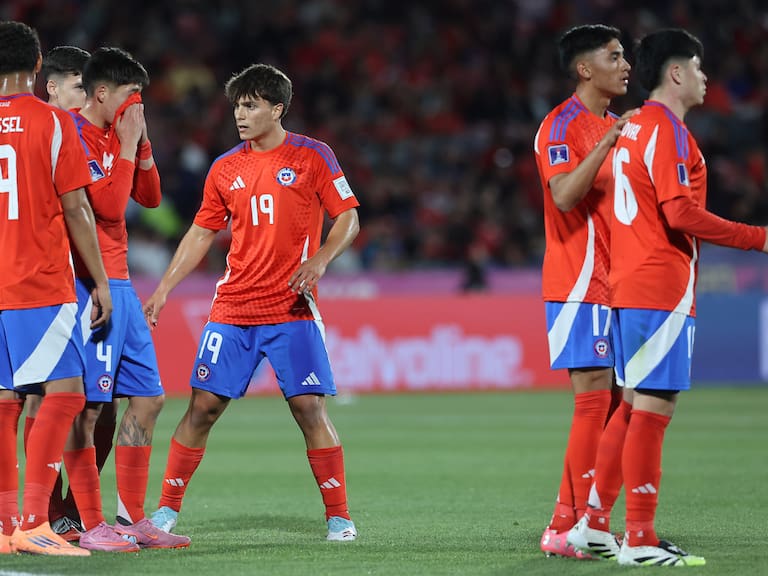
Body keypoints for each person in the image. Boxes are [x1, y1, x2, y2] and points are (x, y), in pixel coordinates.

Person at [566, 28, 768, 566]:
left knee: (631, 406)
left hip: (631, 283)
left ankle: (593, 525)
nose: (705, 79)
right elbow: (679, 214)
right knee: (653, 408)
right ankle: (641, 538)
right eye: (699, 68)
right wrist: (757, 237)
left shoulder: (629, 129)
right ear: (676, 72)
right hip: (660, 286)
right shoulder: (669, 131)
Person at [142, 63, 360, 542]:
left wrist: (322, 258)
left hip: (292, 309)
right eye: (237, 105)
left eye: (251, 105)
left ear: (277, 108)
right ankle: (164, 512)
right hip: (234, 310)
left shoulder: (313, 155)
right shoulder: (225, 167)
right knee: (202, 408)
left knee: (308, 408)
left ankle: (339, 516)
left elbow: (348, 218)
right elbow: (201, 233)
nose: (240, 114)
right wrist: (163, 289)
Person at [63, 46, 189, 551]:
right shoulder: (72, 134)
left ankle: (131, 518)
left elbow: (151, 197)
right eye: (129, 95)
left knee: (149, 397)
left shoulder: (118, 135)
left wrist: (139, 144)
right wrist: (128, 140)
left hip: (122, 285)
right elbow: (109, 206)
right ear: (100, 93)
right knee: (89, 408)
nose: (136, 105)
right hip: (88, 284)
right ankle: (83, 522)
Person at [0, 20, 112, 556]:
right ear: (37, 65)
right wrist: (101, 281)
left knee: (4, 403)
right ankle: (34, 521)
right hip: (37, 284)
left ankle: (4, 529)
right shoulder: (53, 123)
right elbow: (76, 208)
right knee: (66, 394)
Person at [532, 24, 633, 558]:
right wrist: (609, 144)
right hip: (578, 282)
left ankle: (586, 523)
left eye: (626, 56)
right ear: (584, 68)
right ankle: (563, 526)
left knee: (616, 400)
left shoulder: (618, 125)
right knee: (594, 398)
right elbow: (566, 196)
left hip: (619, 284)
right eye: (614, 56)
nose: (626, 65)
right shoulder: (561, 125)